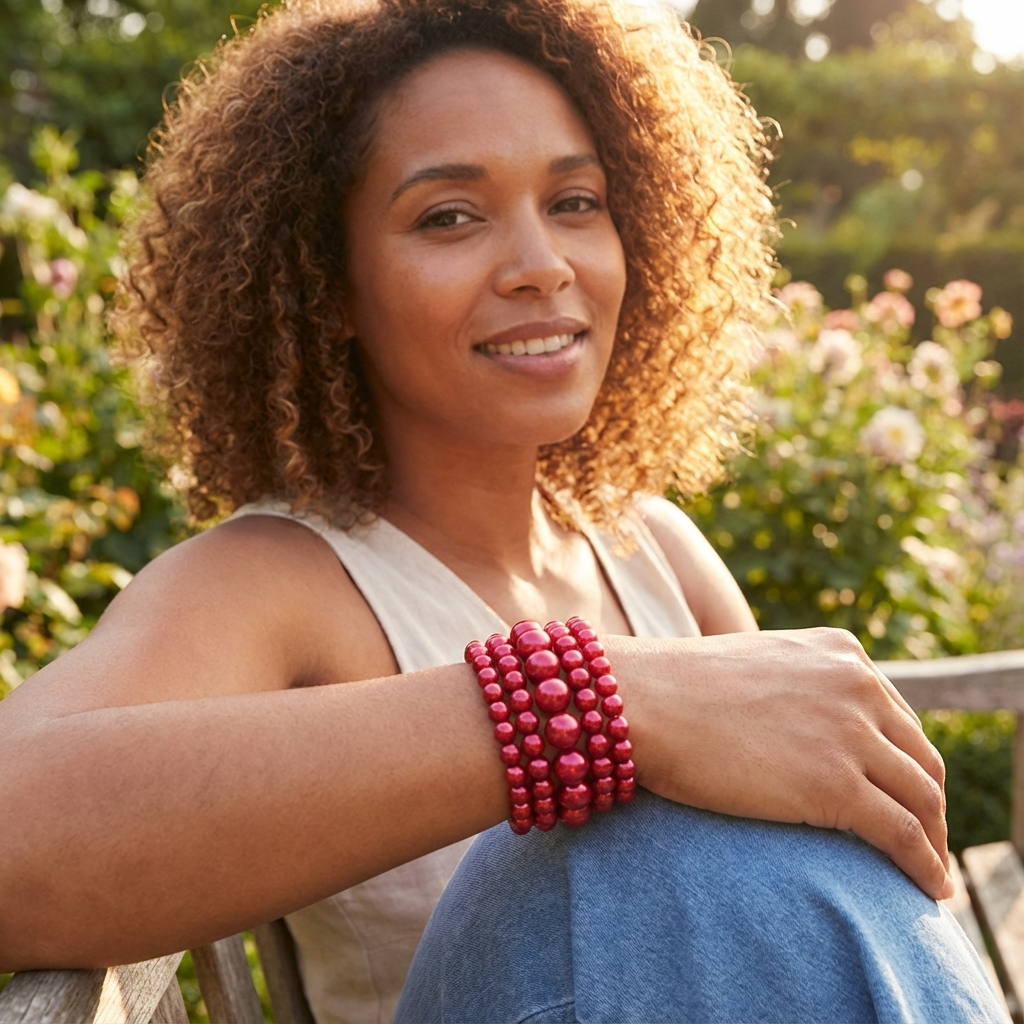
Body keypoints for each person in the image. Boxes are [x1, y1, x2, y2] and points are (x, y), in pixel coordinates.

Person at [0, 0, 1005, 1021]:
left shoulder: (652, 545)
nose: (541, 263)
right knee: (649, 832)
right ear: (329, 283)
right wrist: (601, 703)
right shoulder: (276, 584)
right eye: (449, 216)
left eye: (576, 201)